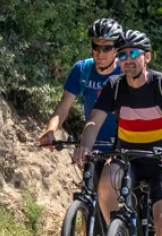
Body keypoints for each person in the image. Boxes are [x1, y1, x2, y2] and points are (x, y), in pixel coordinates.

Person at [74, 30, 162, 236]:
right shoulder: (114, 86)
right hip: (128, 157)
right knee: (105, 182)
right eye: (122, 54)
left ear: (147, 56)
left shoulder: (158, 84)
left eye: (134, 53)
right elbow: (94, 120)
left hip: (159, 160)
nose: (127, 59)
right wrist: (85, 147)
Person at [38, 18, 123, 150]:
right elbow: (64, 105)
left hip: (125, 146)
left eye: (106, 48)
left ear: (117, 49)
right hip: (91, 145)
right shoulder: (82, 69)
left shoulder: (126, 73)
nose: (100, 53)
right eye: (96, 46)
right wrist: (51, 131)